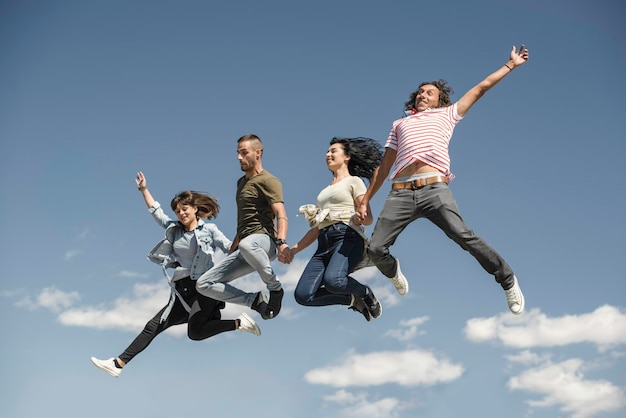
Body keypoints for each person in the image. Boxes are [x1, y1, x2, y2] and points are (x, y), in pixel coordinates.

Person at [357, 45, 529, 315]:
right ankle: (392, 272)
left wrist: (511, 65)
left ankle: (507, 279)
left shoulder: (448, 115)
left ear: (440, 100)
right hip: (400, 193)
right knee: (376, 248)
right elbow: (384, 164)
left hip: (434, 189)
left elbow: (481, 87)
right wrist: (366, 199)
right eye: (420, 92)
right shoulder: (398, 125)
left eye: (430, 92)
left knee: (462, 235)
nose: (423, 95)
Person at [90, 172, 261, 378]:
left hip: (204, 288)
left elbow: (229, 249)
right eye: (178, 210)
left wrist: (243, 232)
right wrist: (144, 189)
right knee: (158, 326)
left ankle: (240, 321)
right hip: (181, 292)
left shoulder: (210, 230)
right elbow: (156, 212)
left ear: (195, 209)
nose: (181, 213)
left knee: (194, 332)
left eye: (184, 209)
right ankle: (118, 364)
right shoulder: (174, 229)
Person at [288, 137, 383, 322]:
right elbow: (317, 228)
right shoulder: (324, 193)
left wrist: (360, 217)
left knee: (334, 281)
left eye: (333, 151)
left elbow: (368, 217)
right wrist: (294, 250)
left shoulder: (354, 182)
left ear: (346, 156)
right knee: (303, 295)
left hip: (346, 237)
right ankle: (351, 299)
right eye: (327, 152)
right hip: (324, 243)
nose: (328, 155)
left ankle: (365, 292)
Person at [196, 134, 289, 320]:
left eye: (244, 153)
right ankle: (254, 301)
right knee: (203, 284)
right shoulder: (241, 183)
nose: (239, 157)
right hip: (246, 244)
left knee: (247, 245)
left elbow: (281, 214)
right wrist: (231, 251)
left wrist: (281, 243)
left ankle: (275, 289)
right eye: (238, 153)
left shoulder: (268, 180)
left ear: (258, 153)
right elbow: (244, 222)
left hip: (264, 242)